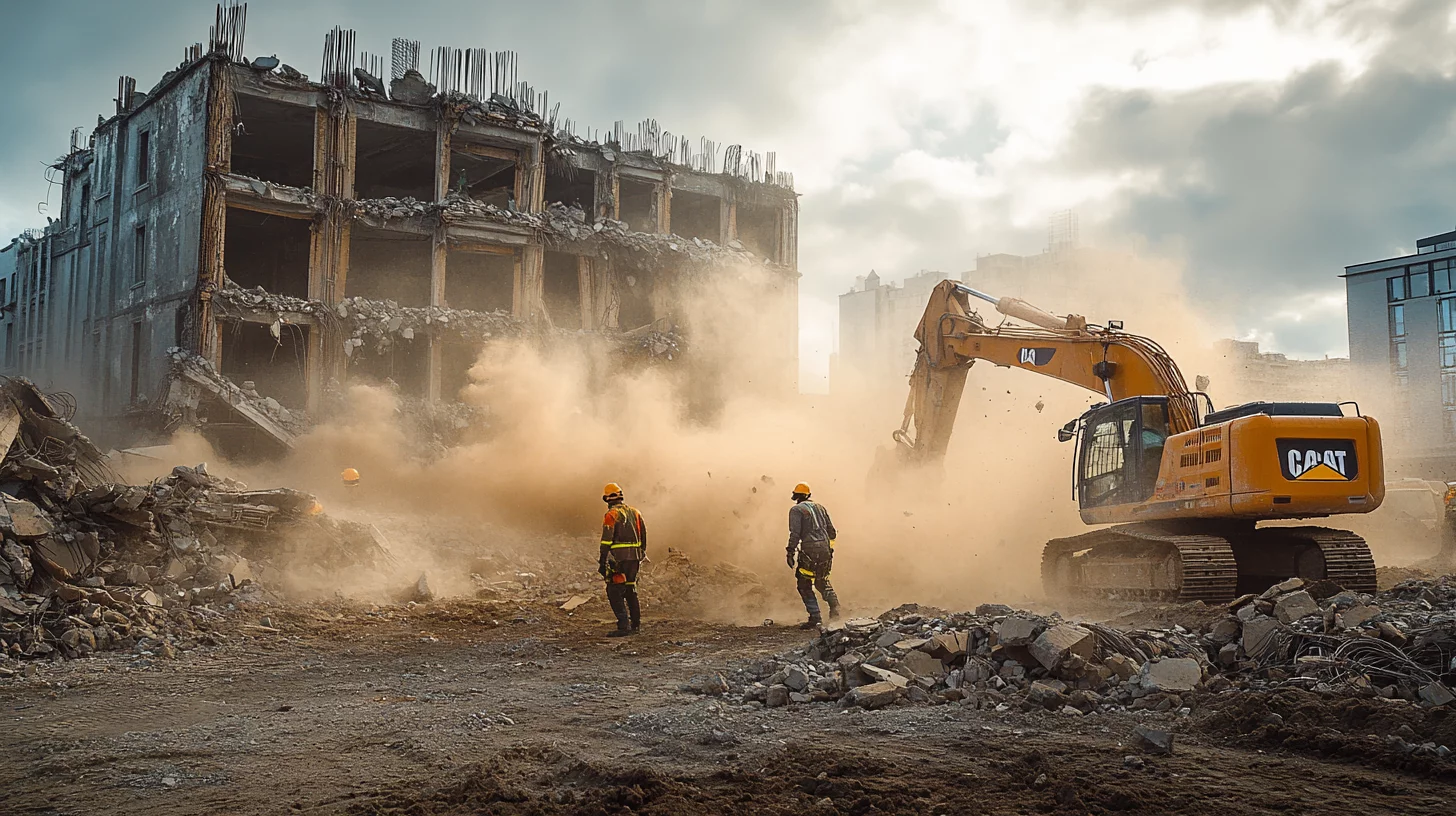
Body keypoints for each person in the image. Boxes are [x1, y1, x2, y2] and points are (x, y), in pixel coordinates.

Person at [786, 482, 840, 629]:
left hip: (809, 551)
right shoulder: (820, 508)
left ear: (795, 496)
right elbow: (832, 532)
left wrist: (790, 551)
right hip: (825, 550)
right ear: (808, 495)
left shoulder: (796, 510)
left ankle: (815, 617)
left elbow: (795, 533)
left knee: (804, 583)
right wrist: (830, 549)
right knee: (821, 580)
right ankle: (835, 610)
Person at [599, 482, 646, 637]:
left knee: (614, 590)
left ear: (606, 499)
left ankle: (623, 626)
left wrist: (603, 560)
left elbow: (606, 540)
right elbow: (643, 535)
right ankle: (636, 624)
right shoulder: (636, 512)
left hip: (618, 560)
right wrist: (641, 553)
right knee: (631, 589)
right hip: (635, 558)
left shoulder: (611, 515)